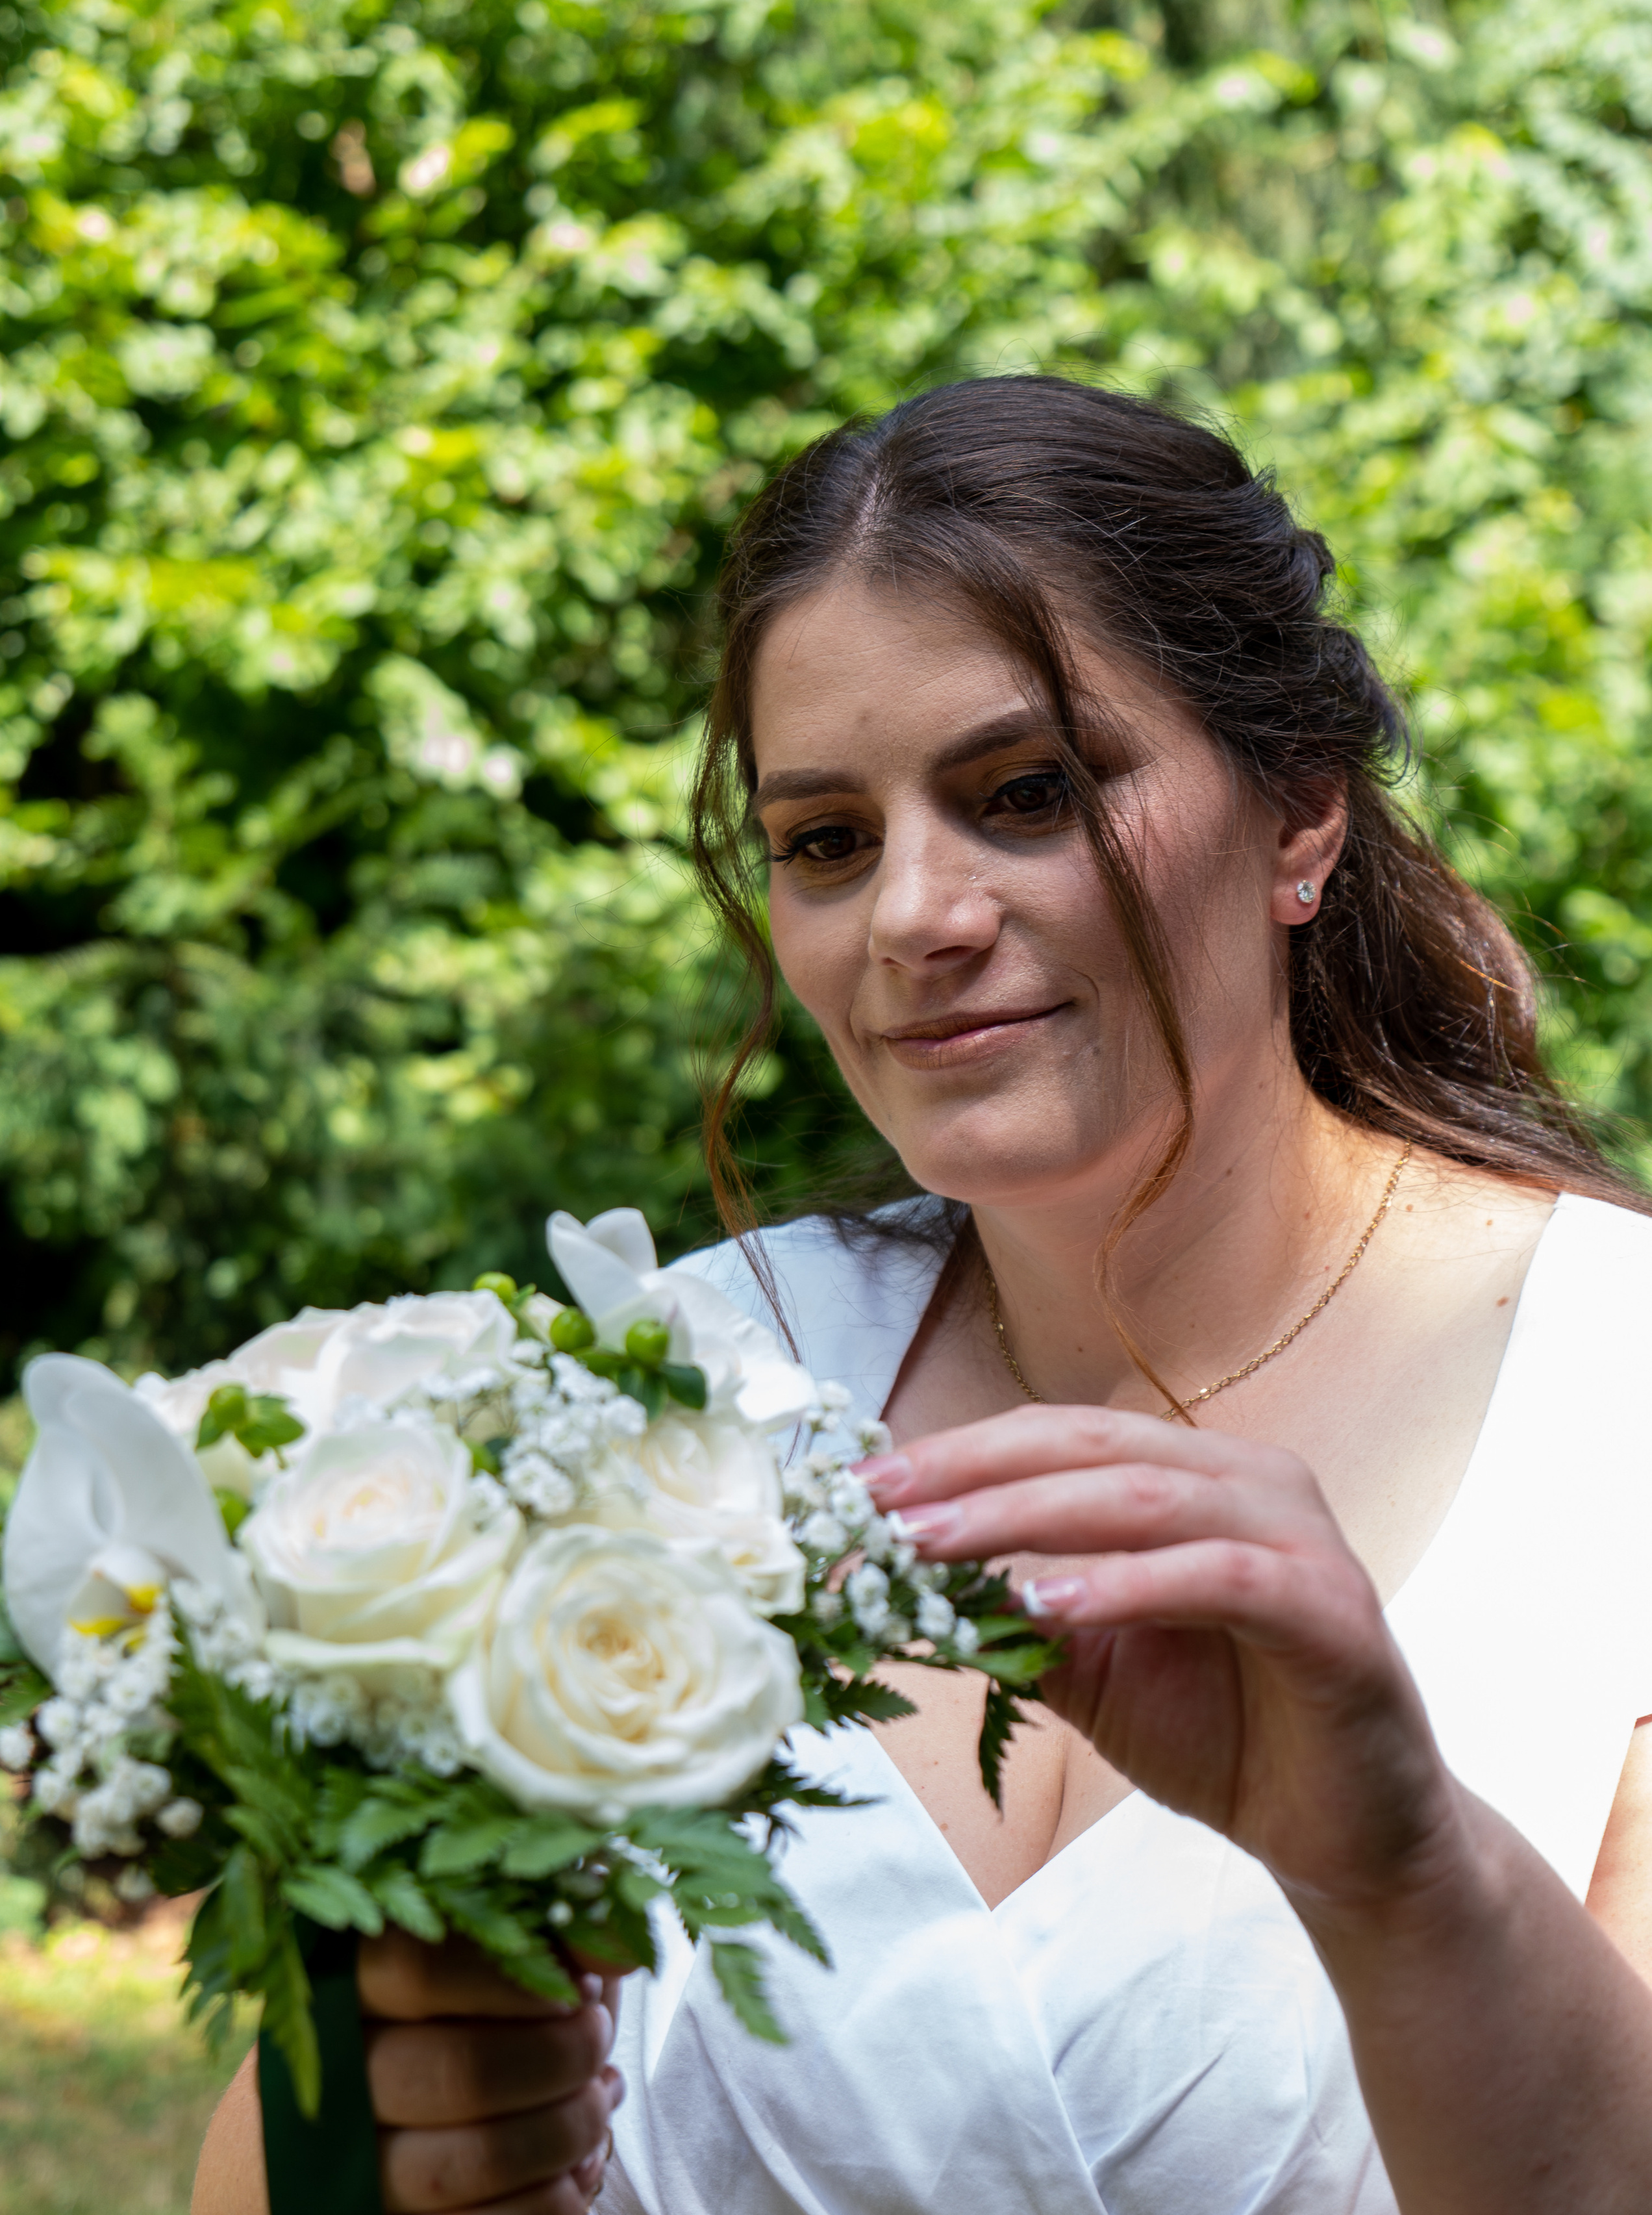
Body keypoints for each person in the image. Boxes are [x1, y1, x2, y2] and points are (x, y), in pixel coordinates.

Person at [194, 376, 1652, 2215]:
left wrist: (1405, 1871)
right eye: (827, 839)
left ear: (1299, 815)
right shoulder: (671, 1390)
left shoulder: (1619, 1400)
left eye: (1025, 792)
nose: (912, 915)